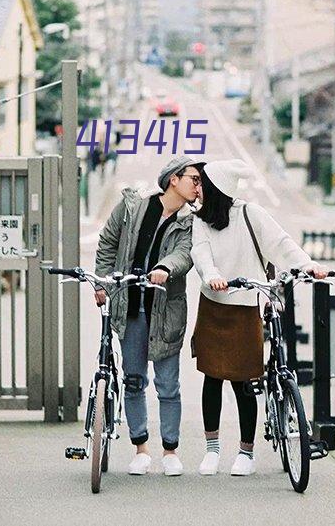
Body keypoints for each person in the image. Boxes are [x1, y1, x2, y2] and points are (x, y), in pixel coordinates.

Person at [191, 159, 328, 477]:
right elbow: (201, 252)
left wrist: (309, 266)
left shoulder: (251, 214)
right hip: (213, 303)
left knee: (243, 380)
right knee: (211, 378)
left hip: (245, 305)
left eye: (203, 185)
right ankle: (212, 450)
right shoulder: (201, 219)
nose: (198, 190)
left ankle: (245, 452)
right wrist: (211, 274)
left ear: (217, 189)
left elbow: (281, 244)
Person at [94, 156, 204, 476]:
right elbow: (108, 243)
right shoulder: (132, 207)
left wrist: (165, 267)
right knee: (134, 380)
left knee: (168, 384)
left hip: (166, 311)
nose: (198, 186)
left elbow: (185, 253)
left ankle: (170, 450)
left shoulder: (191, 222)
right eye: (193, 179)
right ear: (174, 179)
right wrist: (102, 282)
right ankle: (140, 448)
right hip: (130, 306)